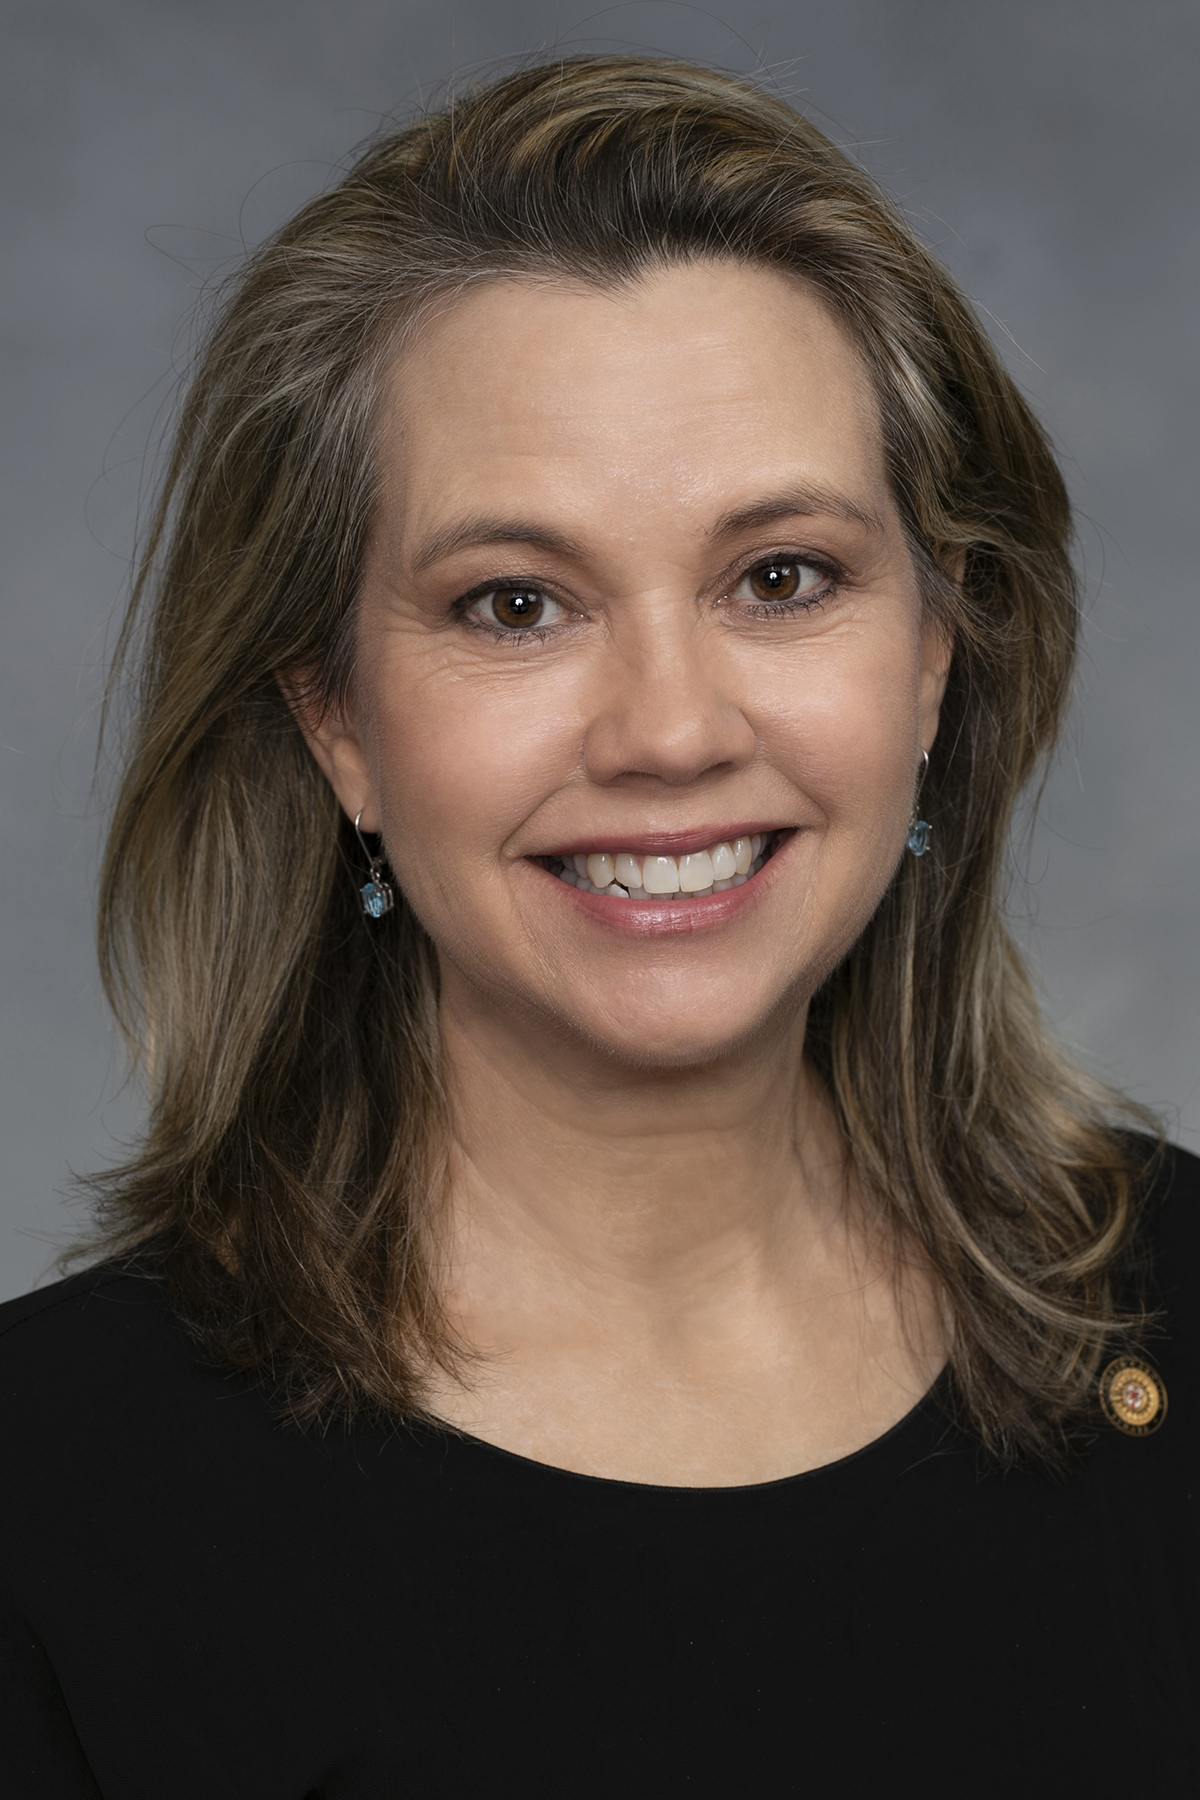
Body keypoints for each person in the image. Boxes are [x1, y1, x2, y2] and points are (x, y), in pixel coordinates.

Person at [1, 54, 1195, 1797]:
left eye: (780, 576)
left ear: (935, 657)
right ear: (336, 721)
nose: (668, 729)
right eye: (516, 603)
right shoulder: (49, 1505)